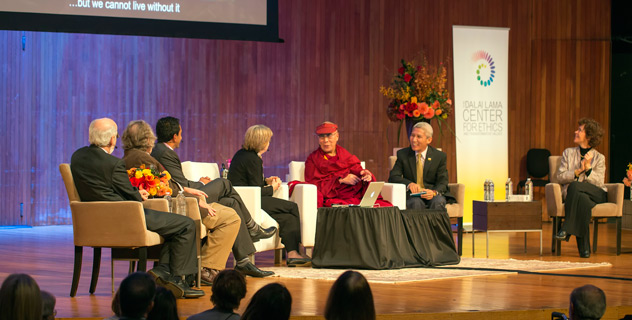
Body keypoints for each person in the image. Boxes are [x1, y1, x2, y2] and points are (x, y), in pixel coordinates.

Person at [70, 118, 204, 298]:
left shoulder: (77, 157)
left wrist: (132, 193)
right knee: (186, 224)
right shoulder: (113, 164)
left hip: (95, 220)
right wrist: (138, 194)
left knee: (173, 227)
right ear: (111, 140)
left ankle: (163, 271)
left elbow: (105, 186)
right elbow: (131, 195)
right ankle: (178, 279)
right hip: (124, 216)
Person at [151, 116, 275, 278]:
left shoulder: (161, 150)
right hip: (186, 200)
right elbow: (181, 186)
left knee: (230, 202)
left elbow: (177, 181)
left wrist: (198, 182)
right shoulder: (165, 153)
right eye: (180, 133)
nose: (181, 137)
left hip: (189, 194)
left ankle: (243, 261)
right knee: (224, 183)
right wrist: (201, 186)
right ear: (175, 136)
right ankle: (252, 227)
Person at [122, 120, 241, 285]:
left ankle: (208, 267)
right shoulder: (142, 159)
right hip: (176, 207)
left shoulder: (129, 157)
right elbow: (160, 187)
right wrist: (187, 193)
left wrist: (188, 192)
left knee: (228, 205)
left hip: (175, 202)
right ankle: (206, 269)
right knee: (231, 217)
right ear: (148, 140)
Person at [228, 125, 311, 267]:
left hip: (249, 198)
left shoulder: (243, 154)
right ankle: (294, 250)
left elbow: (251, 182)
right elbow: (257, 190)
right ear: (261, 141)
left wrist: (266, 180)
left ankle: (292, 254)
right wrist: (272, 188)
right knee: (292, 207)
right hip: (249, 201)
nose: (269, 144)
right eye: (268, 140)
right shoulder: (253, 159)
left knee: (287, 216)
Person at [304, 121, 390, 207]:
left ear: (337, 136)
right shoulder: (313, 159)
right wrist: (340, 180)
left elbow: (356, 168)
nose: (326, 140)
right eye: (322, 137)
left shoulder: (344, 154)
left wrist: (364, 173)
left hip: (354, 195)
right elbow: (314, 186)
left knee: (385, 206)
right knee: (346, 208)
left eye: (329, 135)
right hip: (334, 197)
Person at [555, 118, 607, 258]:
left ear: (589, 136)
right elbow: (559, 177)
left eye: (580, 130)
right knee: (581, 199)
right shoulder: (568, 153)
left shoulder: (599, 158)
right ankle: (584, 251)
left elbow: (599, 182)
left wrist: (588, 168)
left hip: (596, 194)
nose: (575, 132)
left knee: (576, 186)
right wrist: (577, 172)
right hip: (578, 196)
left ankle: (566, 228)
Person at [388, 122, 454, 210]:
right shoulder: (403, 154)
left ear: (429, 140)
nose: (414, 140)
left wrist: (434, 192)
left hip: (431, 193)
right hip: (413, 195)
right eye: (412, 135)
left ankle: (434, 224)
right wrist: (409, 184)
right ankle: (419, 224)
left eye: (418, 137)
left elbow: (442, 182)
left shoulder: (439, 156)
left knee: (438, 201)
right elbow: (393, 177)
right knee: (415, 202)